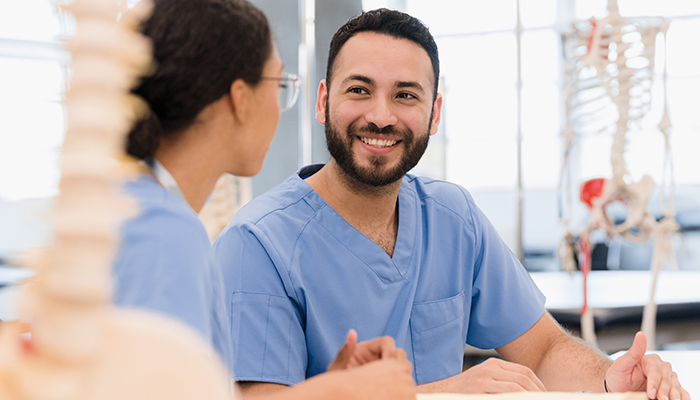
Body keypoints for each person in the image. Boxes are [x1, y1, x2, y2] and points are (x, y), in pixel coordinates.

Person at [213, 8, 690, 399]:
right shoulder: (257, 243)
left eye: (405, 95)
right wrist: (447, 394)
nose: (381, 116)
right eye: (359, 90)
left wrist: (610, 378)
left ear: (434, 113)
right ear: (322, 102)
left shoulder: (451, 218)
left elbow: (543, 349)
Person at [111, 1, 415, 399]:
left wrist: (330, 386)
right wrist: (341, 394)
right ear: (241, 99)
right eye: (279, 85)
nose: (280, 108)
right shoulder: (164, 234)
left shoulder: (137, 209)